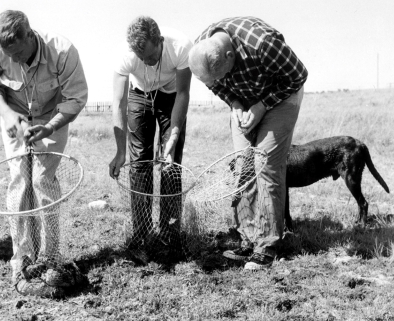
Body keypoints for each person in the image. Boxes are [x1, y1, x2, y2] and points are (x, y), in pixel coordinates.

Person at [189, 16, 308, 270]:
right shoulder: (202, 48)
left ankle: (266, 247)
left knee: (265, 164)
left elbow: (298, 76)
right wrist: (234, 103)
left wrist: (262, 106)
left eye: (220, 75)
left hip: (280, 96)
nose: (215, 83)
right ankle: (247, 239)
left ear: (230, 56)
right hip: (243, 102)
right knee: (243, 167)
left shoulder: (263, 44)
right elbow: (215, 85)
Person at [0, 10, 88, 281]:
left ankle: (50, 257)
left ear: (29, 35)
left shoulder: (62, 51)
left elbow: (75, 98)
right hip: (14, 118)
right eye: (9, 56)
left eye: (18, 54)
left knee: (42, 181)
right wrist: (7, 114)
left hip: (51, 119)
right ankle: (23, 257)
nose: (14, 60)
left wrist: (50, 127)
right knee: (19, 182)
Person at [109, 16, 192, 248]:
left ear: (160, 41)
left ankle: (169, 231)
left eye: (151, 56)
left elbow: (184, 93)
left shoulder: (182, 47)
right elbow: (118, 103)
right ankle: (142, 232)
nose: (146, 62)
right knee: (139, 164)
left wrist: (173, 136)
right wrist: (119, 151)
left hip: (172, 95)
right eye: (141, 58)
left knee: (170, 162)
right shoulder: (125, 55)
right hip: (139, 94)